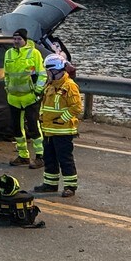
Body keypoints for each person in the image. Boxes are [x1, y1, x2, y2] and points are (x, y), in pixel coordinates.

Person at [34, 54, 82, 197]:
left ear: (55, 70)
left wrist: (62, 119)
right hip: (49, 130)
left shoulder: (69, 86)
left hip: (63, 131)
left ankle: (70, 187)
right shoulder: (50, 85)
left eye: (48, 71)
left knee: (65, 159)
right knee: (49, 158)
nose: (47, 73)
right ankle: (50, 184)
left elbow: (76, 107)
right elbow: (46, 105)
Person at [4, 27, 46, 169]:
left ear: (25, 40)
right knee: (17, 128)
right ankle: (23, 156)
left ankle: (40, 156)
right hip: (14, 98)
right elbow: (7, 75)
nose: (16, 41)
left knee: (34, 127)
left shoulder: (34, 53)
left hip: (30, 97)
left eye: (19, 39)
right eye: (14, 39)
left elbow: (42, 73)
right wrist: (7, 88)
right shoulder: (9, 53)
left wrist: (38, 91)